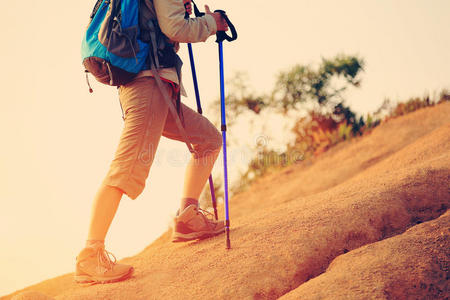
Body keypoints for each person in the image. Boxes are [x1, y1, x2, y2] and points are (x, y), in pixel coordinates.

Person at [75, 0, 229, 284]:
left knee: (207, 139)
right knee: (126, 169)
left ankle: (187, 218)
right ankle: (89, 255)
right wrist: (212, 24)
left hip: (156, 88)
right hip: (148, 88)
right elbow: (176, 28)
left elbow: (163, 33)